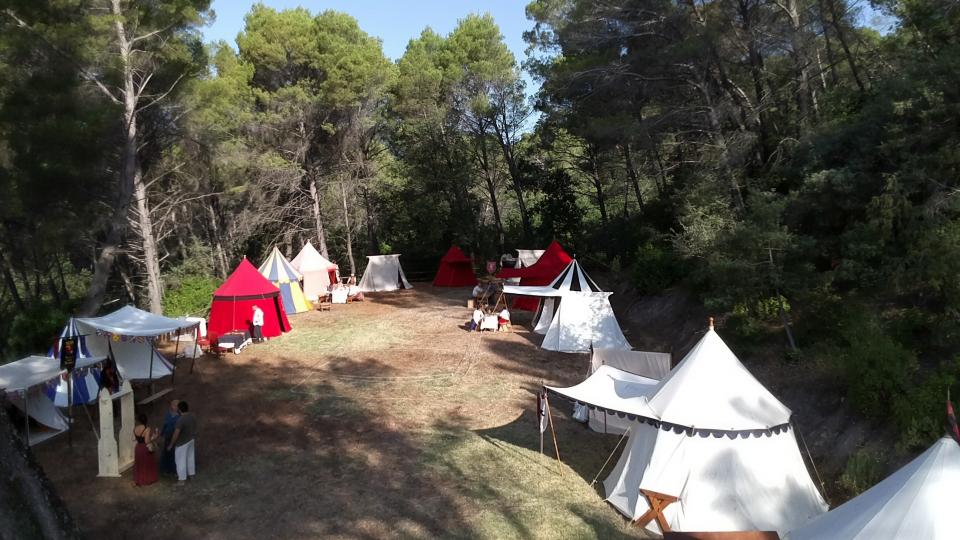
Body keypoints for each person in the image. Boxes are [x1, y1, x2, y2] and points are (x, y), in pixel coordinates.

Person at [167, 401, 197, 485]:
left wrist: (171, 445)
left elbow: (176, 433)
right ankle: (191, 474)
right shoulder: (192, 416)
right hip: (191, 439)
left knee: (180, 460)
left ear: (179, 410)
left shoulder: (180, 420)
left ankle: (181, 479)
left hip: (182, 443)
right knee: (190, 458)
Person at [133, 412, 159, 486]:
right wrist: (154, 437)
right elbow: (147, 441)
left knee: (139, 463)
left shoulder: (135, 428)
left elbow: (134, 439)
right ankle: (147, 479)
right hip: (144, 448)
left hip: (138, 447)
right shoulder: (147, 429)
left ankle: (138, 479)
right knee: (147, 464)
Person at [159, 399, 180, 475]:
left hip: (175, 437)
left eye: (177, 406)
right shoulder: (168, 414)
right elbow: (165, 425)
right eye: (174, 405)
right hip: (167, 436)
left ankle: (174, 470)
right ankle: (165, 469)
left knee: (174, 454)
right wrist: (161, 434)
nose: (175, 407)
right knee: (166, 452)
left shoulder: (179, 416)